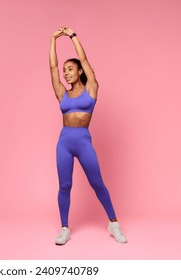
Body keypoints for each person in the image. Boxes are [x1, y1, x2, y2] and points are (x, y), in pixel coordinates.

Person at [49, 26, 127, 245]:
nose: (65, 73)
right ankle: (64, 228)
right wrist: (53, 39)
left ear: (80, 71)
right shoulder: (62, 93)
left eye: (70, 69)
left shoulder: (91, 88)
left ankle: (113, 223)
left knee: (98, 183)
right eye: (65, 70)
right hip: (64, 142)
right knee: (64, 186)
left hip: (83, 141)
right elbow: (52, 67)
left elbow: (83, 58)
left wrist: (72, 36)